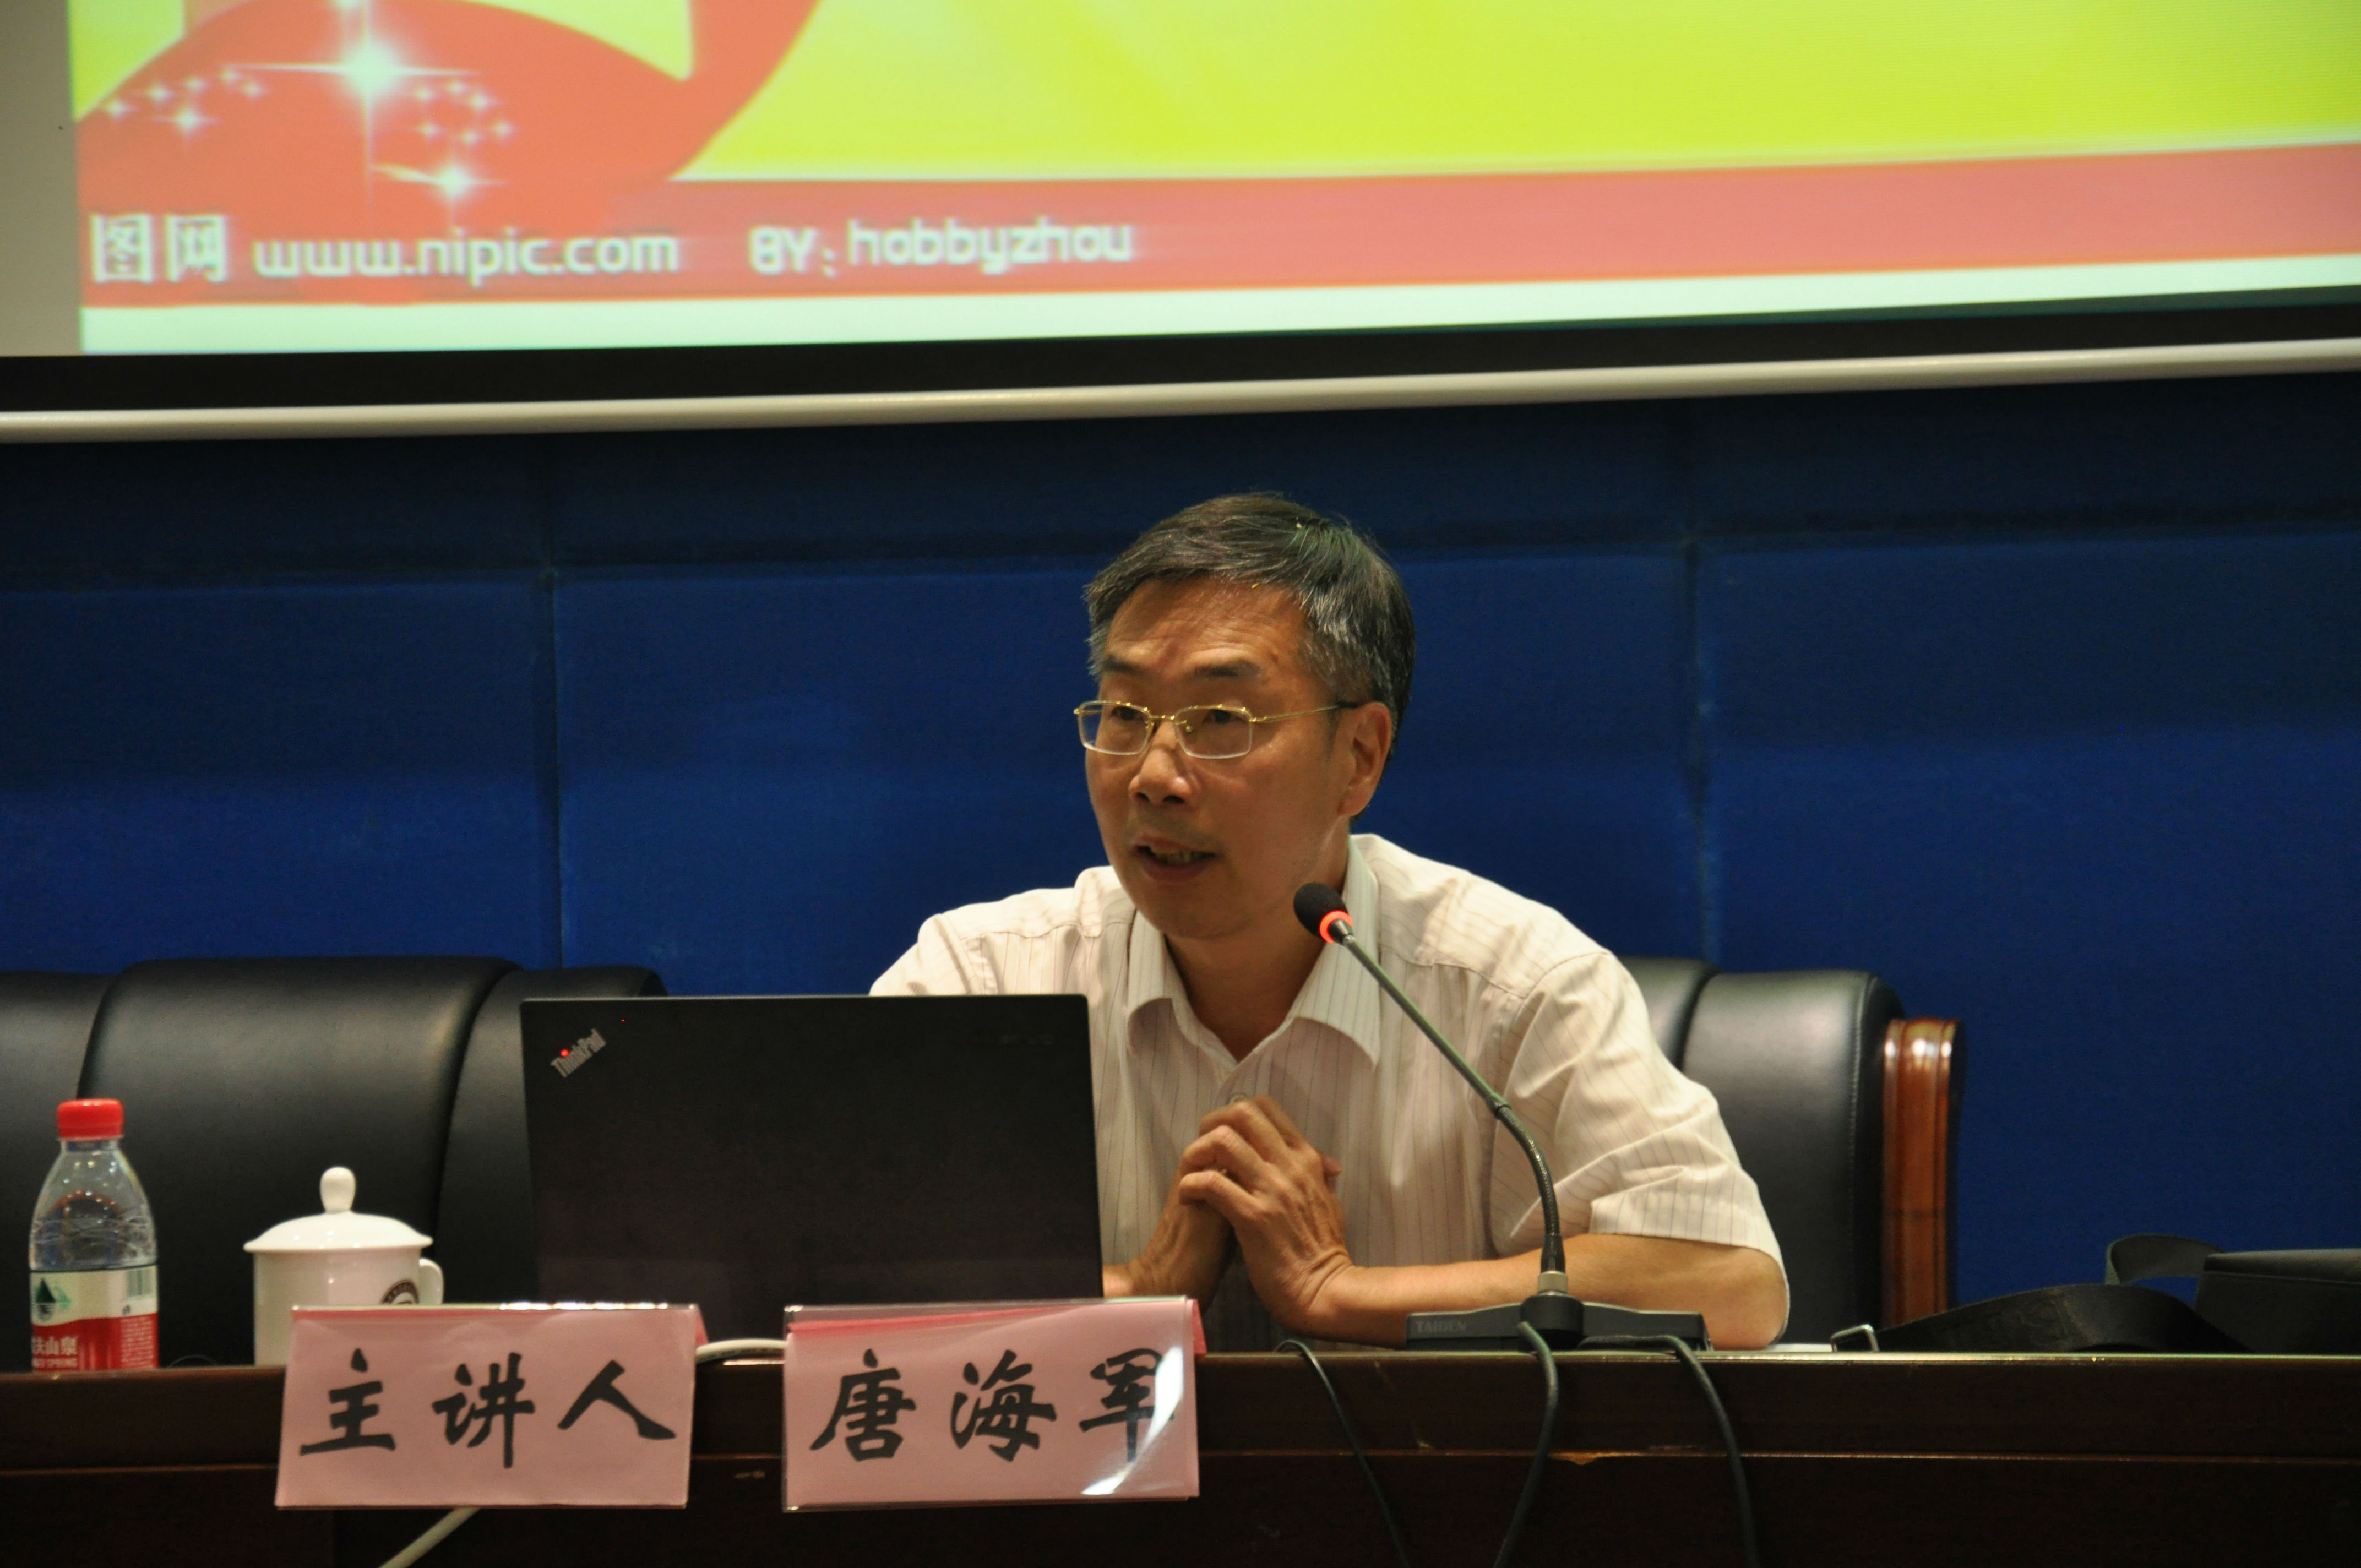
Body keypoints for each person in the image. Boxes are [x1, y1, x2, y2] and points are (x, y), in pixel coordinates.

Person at [874, 494, 1788, 1349]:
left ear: (1359, 756)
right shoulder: (984, 977)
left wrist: (1338, 1293)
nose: (1153, 775)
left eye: (1220, 717)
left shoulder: (1515, 985)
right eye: (1124, 713)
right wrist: (1144, 1289)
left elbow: (1728, 1282)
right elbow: (840, 1289)